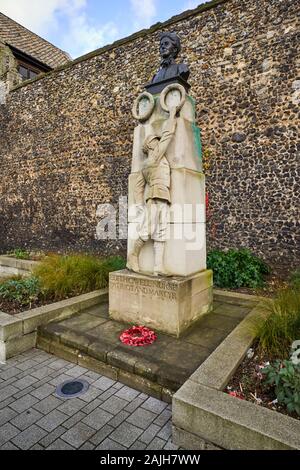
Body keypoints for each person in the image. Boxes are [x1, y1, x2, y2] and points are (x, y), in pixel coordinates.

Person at [127, 106, 178, 276]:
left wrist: (139, 202)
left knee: (161, 232)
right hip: (156, 196)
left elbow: (138, 187)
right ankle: (132, 256)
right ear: (151, 146)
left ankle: (158, 267)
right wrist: (171, 114)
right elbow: (168, 135)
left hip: (162, 196)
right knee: (148, 230)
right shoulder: (155, 156)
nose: (158, 142)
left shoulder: (147, 163)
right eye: (155, 141)